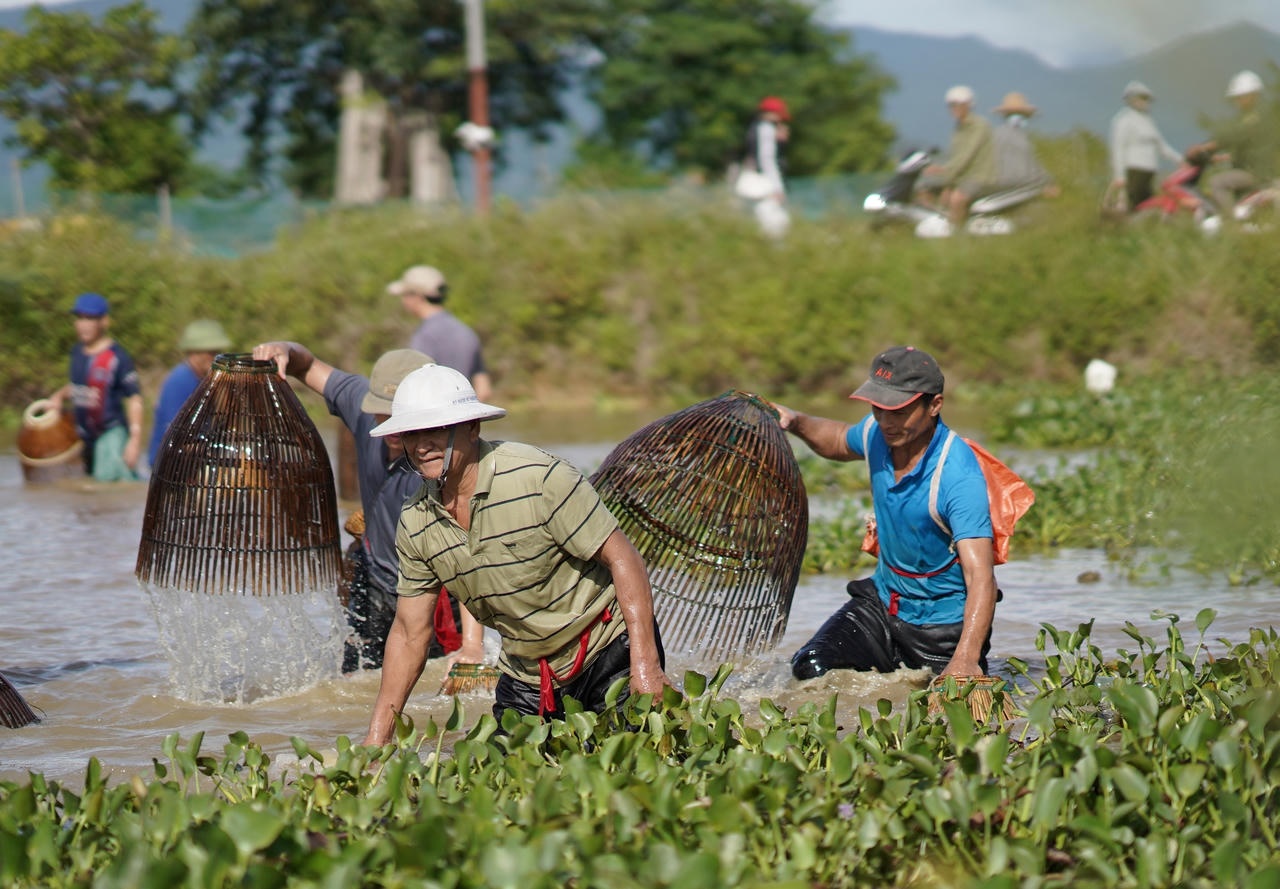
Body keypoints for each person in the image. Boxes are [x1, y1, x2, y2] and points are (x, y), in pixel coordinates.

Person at [361, 364, 672, 743]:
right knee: (495, 781)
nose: (422, 444)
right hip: (528, 671)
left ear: (472, 428)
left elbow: (625, 560)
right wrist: (376, 741)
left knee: (635, 764)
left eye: (436, 429)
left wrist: (646, 667)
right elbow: (410, 633)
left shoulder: (539, 477)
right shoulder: (415, 520)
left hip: (607, 651)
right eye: (411, 433)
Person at [252, 341, 484, 672]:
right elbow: (307, 366)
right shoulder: (363, 410)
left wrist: (472, 646)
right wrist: (283, 350)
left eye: (399, 414)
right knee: (356, 679)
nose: (387, 422)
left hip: (435, 591)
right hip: (375, 580)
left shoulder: (439, 461)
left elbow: (467, 560)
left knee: (435, 681)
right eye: (381, 410)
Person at [773, 346, 997, 680]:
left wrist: (965, 657)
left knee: (941, 713)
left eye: (899, 411)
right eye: (879, 408)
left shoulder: (957, 476)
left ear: (934, 404)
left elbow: (981, 578)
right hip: (882, 605)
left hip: (942, 627)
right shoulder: (878, 434)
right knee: (811, 669)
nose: (886, 421)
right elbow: (836, 438)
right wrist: (796, 422)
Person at [48, 293, 143, 482]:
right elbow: (78, 386)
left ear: (104, 322)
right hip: (85, 437)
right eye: (80, 318)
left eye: (90, 318)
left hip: (110, 433)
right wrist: (58, 396)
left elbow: (134, 398)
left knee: (110, 487)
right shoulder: (77, 353)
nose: (83, 324)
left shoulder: (117, 357)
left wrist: (134, 440)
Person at [390, 265, 492, 402]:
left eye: (405, 295)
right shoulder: (466, 331)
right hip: (465, 417)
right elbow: (484, 390)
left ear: (417, 296)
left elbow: (416, 389)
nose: (403, 301)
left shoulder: (424, 336)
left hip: (435, 418)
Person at [149, 320, 232, 467]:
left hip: (195, 461)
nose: (216, 357)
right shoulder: (180, 381)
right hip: (171, 467)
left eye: (218, 352)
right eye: (211, 352)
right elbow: (175, 438)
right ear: (195, 352)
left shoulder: (205, 380)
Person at [918, 85, 999, 227]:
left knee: (957, 199)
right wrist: (945, 178)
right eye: (950, 105)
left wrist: (945, 175)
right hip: (961, 176)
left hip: (979, 177)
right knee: (924, 190)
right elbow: (954, 157)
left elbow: (965, 157)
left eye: (957, 104)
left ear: (968, 105)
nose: (953, 108)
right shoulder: (958, 128)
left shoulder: (979, 126)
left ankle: (956, 234)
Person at [1207, 70, 1275, 218]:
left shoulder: (1255, 116)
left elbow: (1236, 134)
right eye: (1236, 98)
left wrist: (1210, 146)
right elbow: (1252, 146)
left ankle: (1232, 223)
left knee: (1216, 182)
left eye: (1240, 97)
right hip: (1260, 169)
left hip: (1257, 172)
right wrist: (1226, 157)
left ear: (1253, 95)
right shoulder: (1262, 113)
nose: (1237, 101)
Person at [1109, 81, 1182, 211]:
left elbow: (1162, 146)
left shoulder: (1148, 121)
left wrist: (1181, 160)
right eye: (1141, 98)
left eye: (1146, 99)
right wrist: (1119, 176)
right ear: (1131, 99)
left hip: (1149, 170)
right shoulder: (1123, 120)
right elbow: (1118, 149)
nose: (1145, 102)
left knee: (1148, 205)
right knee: (1133, 205)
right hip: (1133, 170)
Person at [740, 96, 792, 237]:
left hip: (757, 183)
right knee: (776, 225)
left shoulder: (754, 128)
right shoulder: (766, 128)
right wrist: (777, 188)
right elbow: (767, 159)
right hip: (765, 185)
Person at [990, 91, 1057, 196]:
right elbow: (1032, 166)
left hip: (998, 188)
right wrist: (1048, 182)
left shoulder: (995, 134)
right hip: (1021, 188)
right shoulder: (1021, 138)